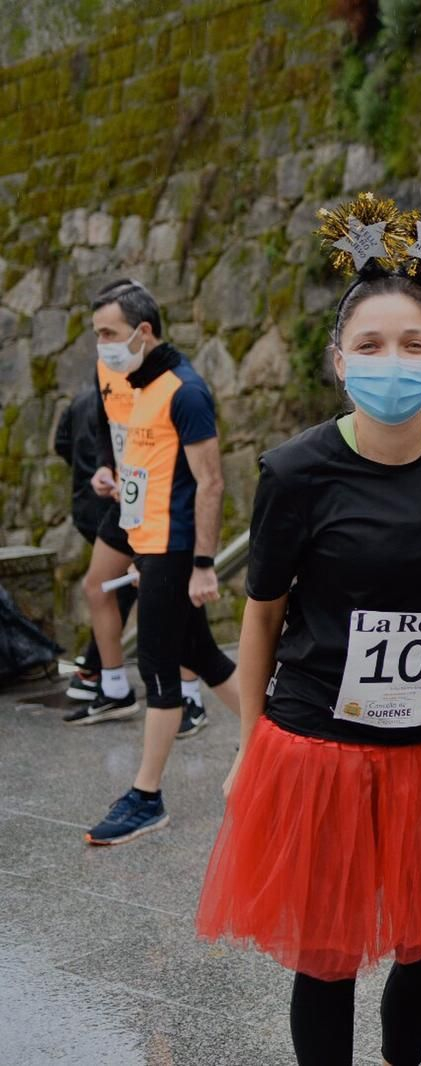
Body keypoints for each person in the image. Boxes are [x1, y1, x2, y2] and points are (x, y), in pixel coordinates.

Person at [195, 196, 421, 1066]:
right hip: (320, 740)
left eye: (412, 345)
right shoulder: (296, 471)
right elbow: (260, 619)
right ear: (338, 361)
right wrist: (250, 745)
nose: (391, 362)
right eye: (370, 345)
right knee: (325, 950)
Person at [80, 279, 241, 844]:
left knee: (157, 665)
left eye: (109, 333)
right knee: (203, 654)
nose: (101, 345)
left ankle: (147, 797)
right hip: (148, 540)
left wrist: (202, 563)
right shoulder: (138, 382)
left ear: (143, 332)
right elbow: (138, 464)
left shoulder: (185, 390)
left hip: (175, 549)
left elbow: (212, 483)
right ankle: (275, 740)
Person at [53, 383, 137, 699]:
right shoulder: (118, 402)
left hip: (89, 505)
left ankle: (99, 672)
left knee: (111, 585)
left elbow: (61, 443)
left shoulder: (79, 400)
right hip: (113, 507)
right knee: (114, 586)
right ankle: (96, 669)